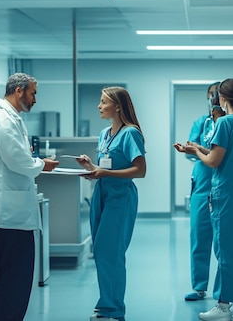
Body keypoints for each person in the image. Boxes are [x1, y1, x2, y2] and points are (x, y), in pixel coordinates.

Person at [174, 78, 233, 321]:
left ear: (222, 100)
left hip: (224, 195)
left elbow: (214, 161)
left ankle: (223, 306)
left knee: (224, 250)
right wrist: (202, 151)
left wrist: (195, 151)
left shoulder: (224, 123)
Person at [0, 73, 59, 321]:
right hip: (9, 217)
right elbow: (17, 160)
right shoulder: (3, 120)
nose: (35, 100)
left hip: (3, 215)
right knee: (14, 286)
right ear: (19, 90)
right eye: (33, 93)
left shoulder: (7, 118)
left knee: (1, 286)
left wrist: (35, 162)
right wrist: (41, 163)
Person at [75, 86, 146, 321]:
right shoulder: (105, 133)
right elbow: (104, 167)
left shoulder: (130, 133)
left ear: (117, 105)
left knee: (111, 252)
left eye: (103, 102)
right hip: (101, 195)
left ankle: (114, 309)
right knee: (101, 251)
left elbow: (140, 170)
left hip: (120, 197)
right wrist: (91, 168)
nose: (99, 106)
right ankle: (106, 304)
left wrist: (103, 174)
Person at [178, 82, 225, 301]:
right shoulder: (201, 123)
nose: (214, 98)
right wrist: (198, 151)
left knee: (223, 241)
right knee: (199, 237)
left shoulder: (229, 124)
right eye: (211, 95)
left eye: (217, 94)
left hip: (223, 186)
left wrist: (200, 151)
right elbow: (191, 149)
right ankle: (199, 286)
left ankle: (223, 291)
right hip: (201, 185)